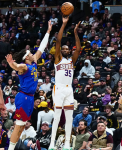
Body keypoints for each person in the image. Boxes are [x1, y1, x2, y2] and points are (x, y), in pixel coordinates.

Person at [6, 21, 52, 150]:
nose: (33, 54)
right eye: (30, 54)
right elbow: (17, 66)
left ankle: (14, 147)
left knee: (22, 125)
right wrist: (11, 63)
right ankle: (10, 148)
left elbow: (42, 47)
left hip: (30, 97)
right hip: (24, 96)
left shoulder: (34, 63)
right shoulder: (25, 66)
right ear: (27, 57)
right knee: (19, 124)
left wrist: (48, 31)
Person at [48, 17, 81, 150]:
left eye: (68, 49)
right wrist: (64, 24)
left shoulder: (71, 61)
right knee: (57, 116)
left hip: (69, 90)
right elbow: (58, 40)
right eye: (64, 48)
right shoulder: (57, 59)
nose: (66, 49)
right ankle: (51, 143)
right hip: (59, 88)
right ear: (61, 51)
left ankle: (67, 143)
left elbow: (78, 49)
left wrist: (75, 33)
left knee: (69, 117)